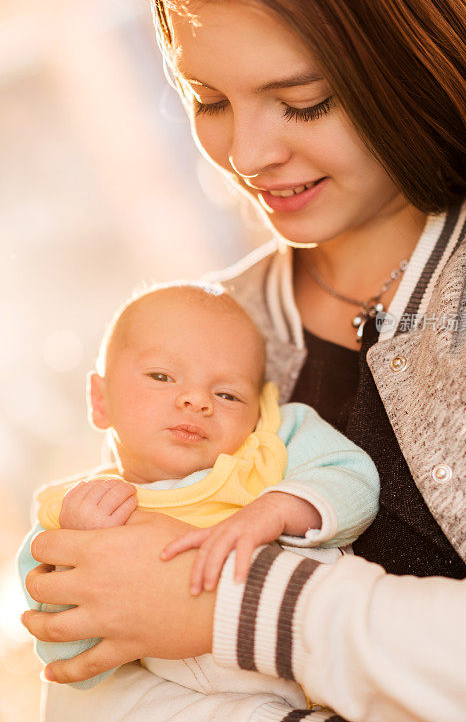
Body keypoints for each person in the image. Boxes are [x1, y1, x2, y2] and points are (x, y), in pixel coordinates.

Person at [21, 0, 466, 720]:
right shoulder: (205, 340)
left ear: (420, 55)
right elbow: (99, 675)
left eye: (303, 102)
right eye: (209, 101)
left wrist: (241, 613)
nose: (248, 154)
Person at [18, 283, 378, 707]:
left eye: (227, 394)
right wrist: (74, 558)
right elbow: (73, 665)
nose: (196, 399)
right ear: (100, 400)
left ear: (259, 407)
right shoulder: (71, 514)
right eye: (161, 376)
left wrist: (279, 508)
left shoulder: (269, 444)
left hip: (331, 665)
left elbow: (355, 479)